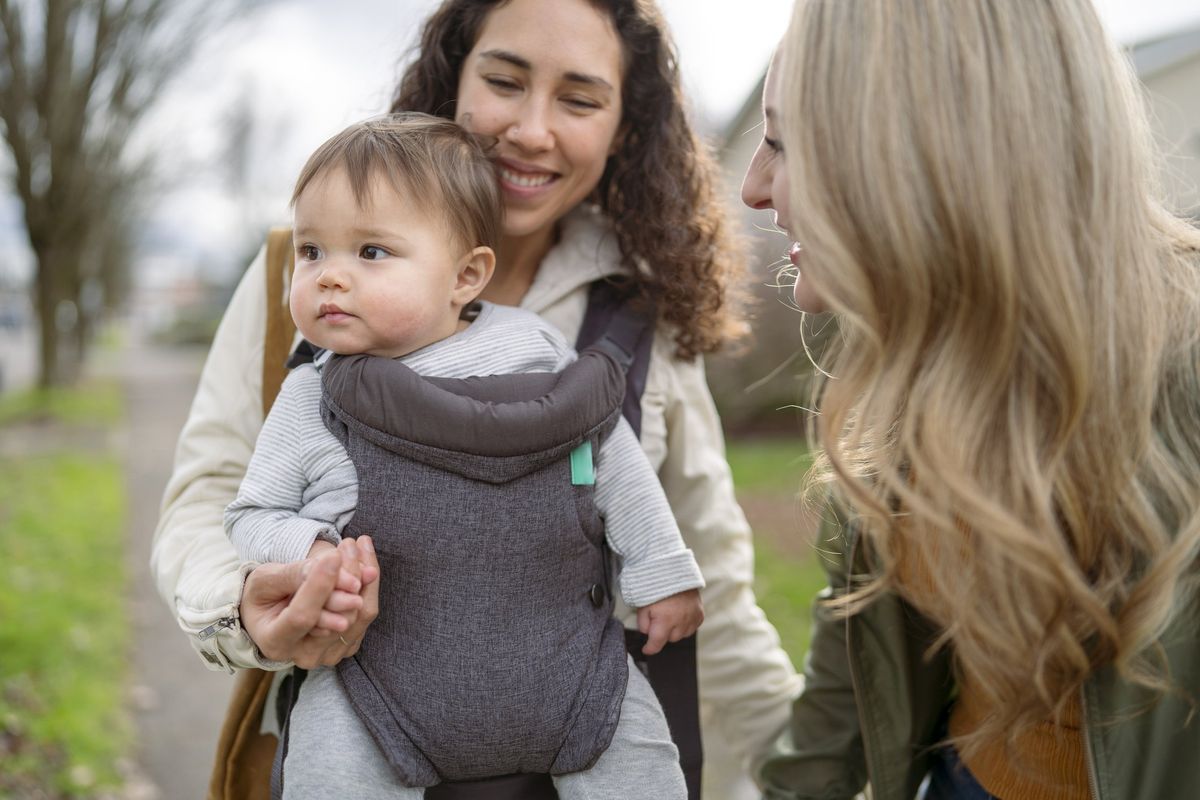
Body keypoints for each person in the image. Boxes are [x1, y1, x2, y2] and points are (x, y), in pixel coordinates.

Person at [151, 0, 802, 795]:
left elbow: (717, 591)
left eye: (580, 99)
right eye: (504, 80)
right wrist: (248, 606)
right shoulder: (308, 275)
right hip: (366, 722)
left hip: (569, 732)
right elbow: (212, 498)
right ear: (453, 76)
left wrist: (812, 774)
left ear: (624, 127)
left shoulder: (640, 313)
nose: (532, 129)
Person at [741, 1, 1200, 799]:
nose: (752, 186)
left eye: (783, 143)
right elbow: (853, 664)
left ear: (925, 149)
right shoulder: (907, 354)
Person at [225, 113, 703, 798]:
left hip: (569, 670)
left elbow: (609, 452)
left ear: (466, 275)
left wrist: (662, 569)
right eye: (311, 252)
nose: (329, 277)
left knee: (641, 763)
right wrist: (311, 548)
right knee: (326, 771)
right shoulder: (312, 394)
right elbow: (252, 513)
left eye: (370, 253)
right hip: (376, 686)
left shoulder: (535, 352)